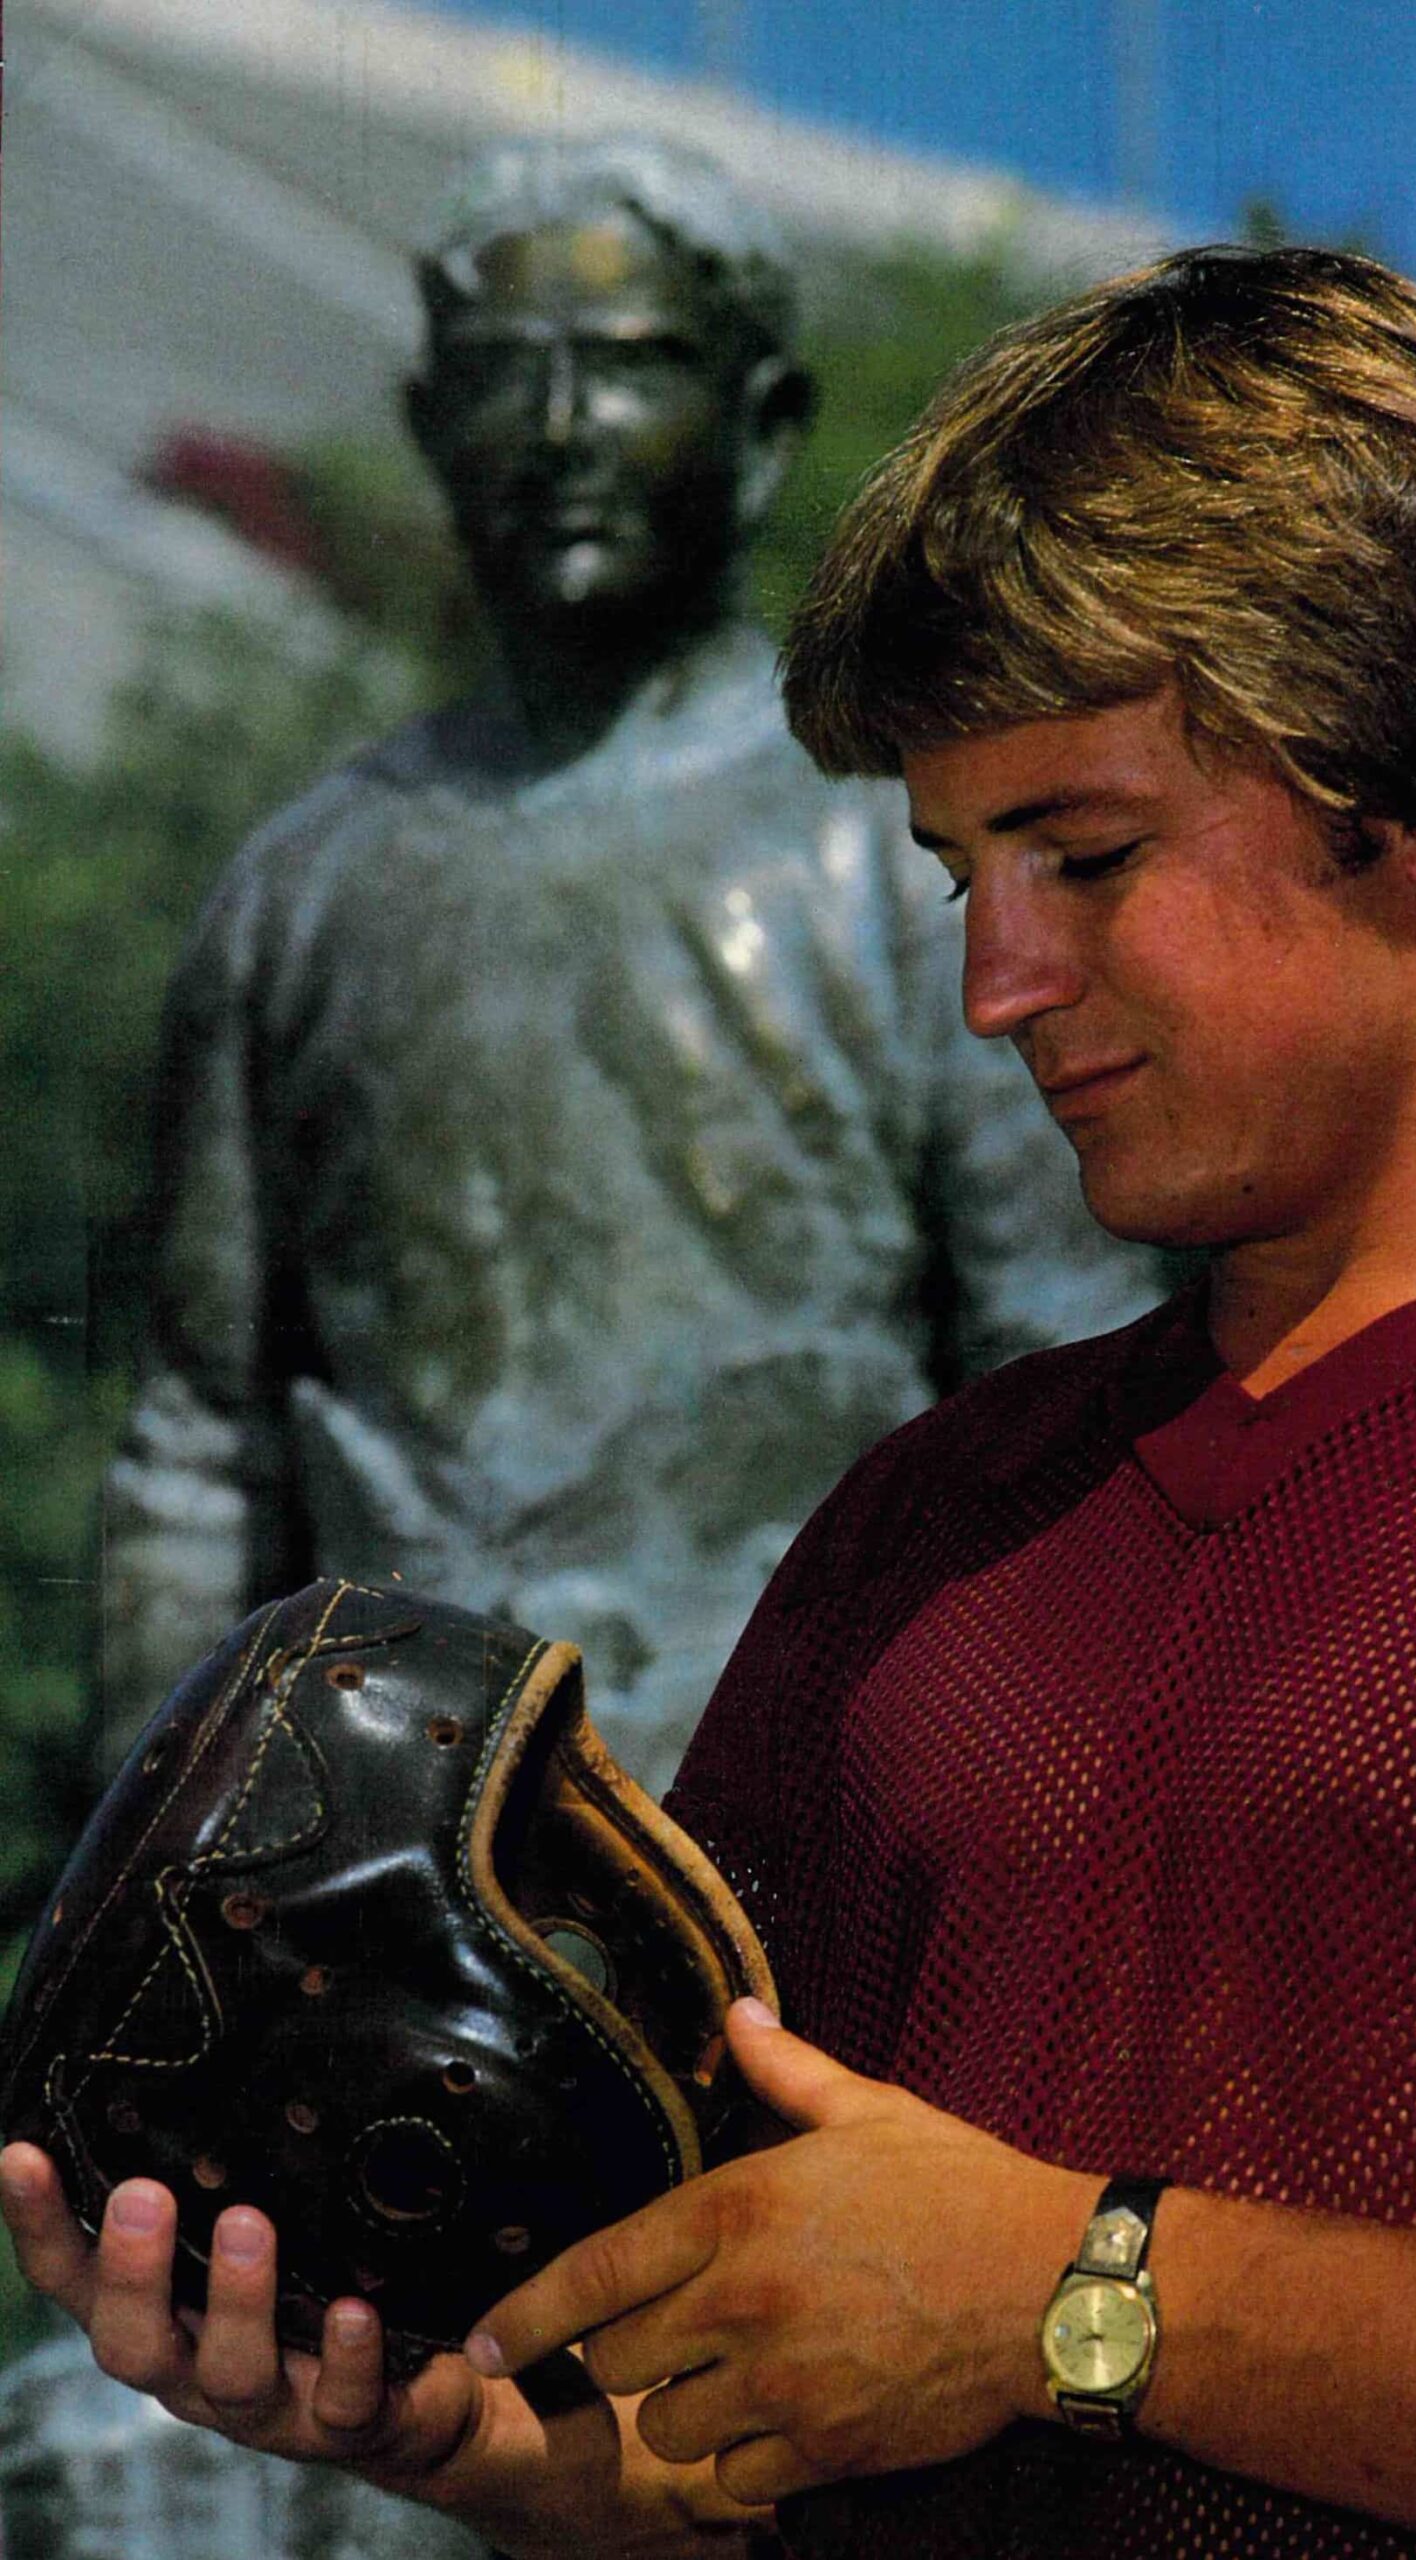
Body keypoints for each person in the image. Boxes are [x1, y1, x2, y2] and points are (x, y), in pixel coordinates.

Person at [12, 244, 1416, 2560]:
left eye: (1086, 854)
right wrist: (484, 2444)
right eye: (957, 873)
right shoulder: (933, 1519)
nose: (990, 983)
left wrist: (1082, 2286)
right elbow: (785, 2390)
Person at [94, 133, 1153, 1803]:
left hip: (802, 1833)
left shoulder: (900, 859)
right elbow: (197, 1455)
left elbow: (1061, 1387)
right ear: (433, 427)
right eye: (509, 375)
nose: (565, 427)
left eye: (633, 368)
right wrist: (155, 1853)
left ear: (762, 428)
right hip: (388, 1871)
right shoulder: (298, 896)